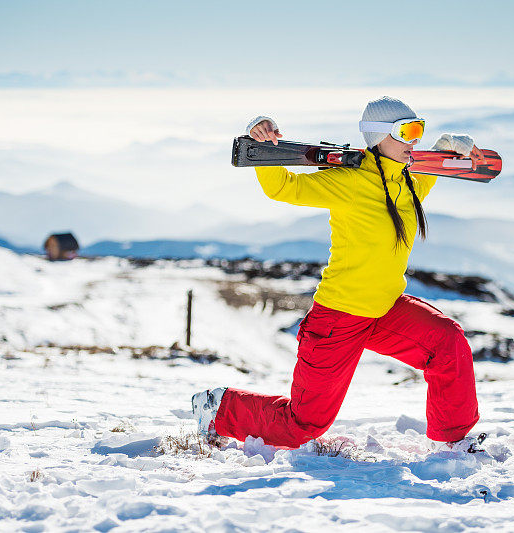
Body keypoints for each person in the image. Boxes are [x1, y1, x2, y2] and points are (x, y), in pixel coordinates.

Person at [193, 96, 486, 452]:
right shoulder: (348, 183)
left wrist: (449, 147)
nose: (414, 141)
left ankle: (454, 442)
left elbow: (433, 166)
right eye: (406, 132)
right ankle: (219, 408)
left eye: (418, 130)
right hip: (339, 317)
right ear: (378, 137)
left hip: (385, 310)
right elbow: (283, 187)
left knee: (447, 342)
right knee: (302, 426)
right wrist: (261, 140)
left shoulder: (410, 182)